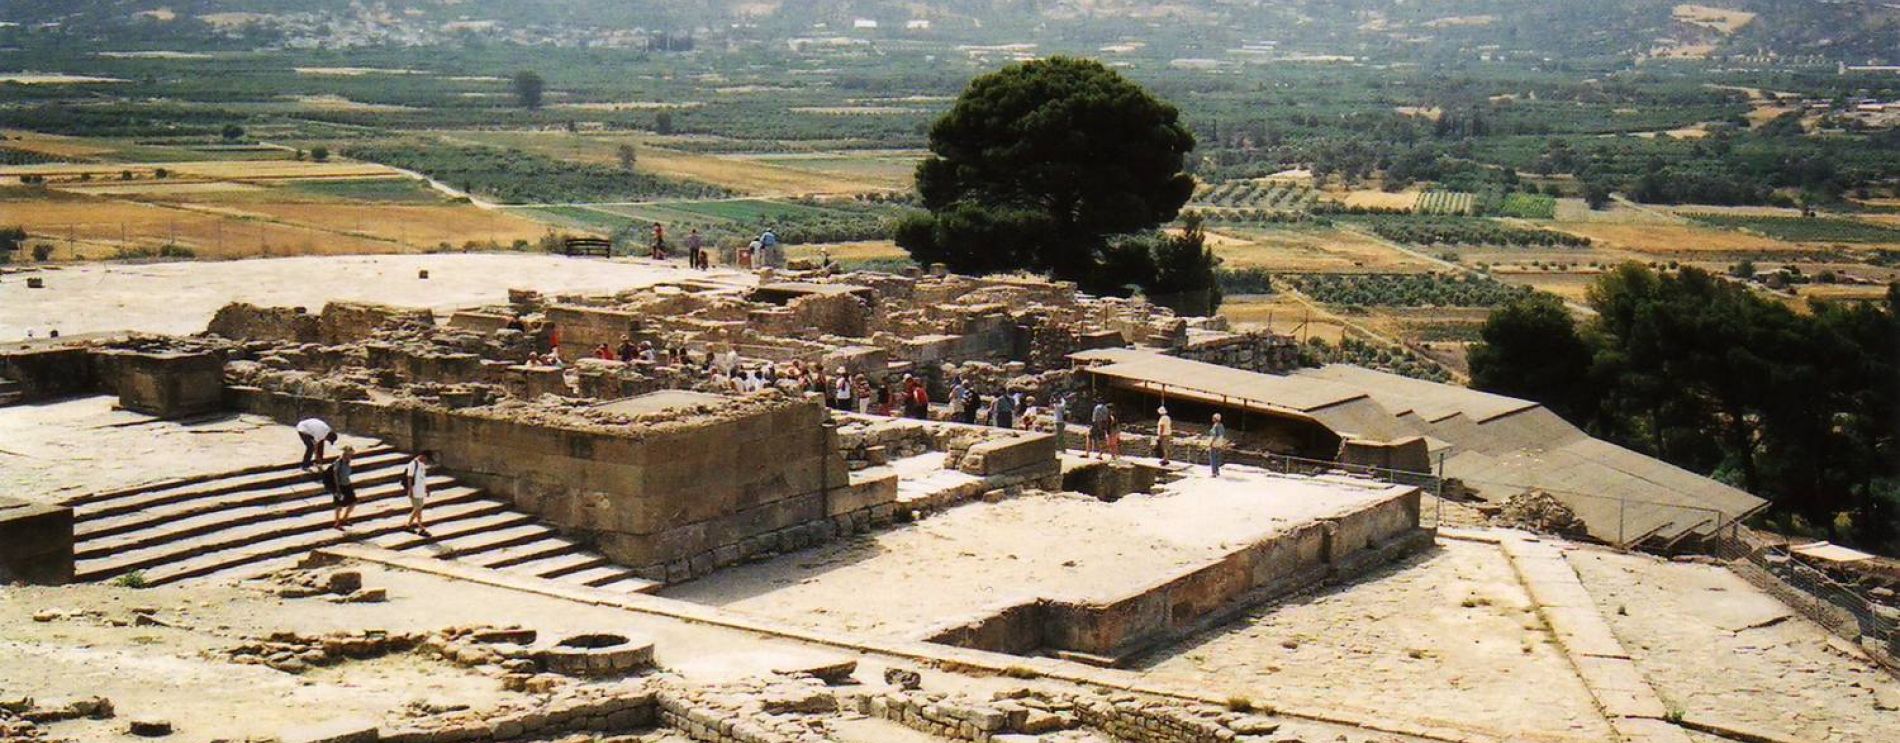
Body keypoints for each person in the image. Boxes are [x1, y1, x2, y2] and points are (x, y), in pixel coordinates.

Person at [402, 450, 436, 537]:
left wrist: (426, 489)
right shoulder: (413, 464)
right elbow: (409, 478)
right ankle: (421, 528)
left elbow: (422, 478)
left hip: (420, 491)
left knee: (418, 508)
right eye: (426, 458)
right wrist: (410, 490)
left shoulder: (422, 465)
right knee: (418, 508)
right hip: (414, 490)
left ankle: (408, 525)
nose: (426, 461)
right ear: (422, 456)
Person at [327, 446, 357, 531]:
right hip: (340, 486)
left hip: (347, 484)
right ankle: (337, 523)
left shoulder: (348, 461)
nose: (351, 455)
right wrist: (337, 488)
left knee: (353, 502)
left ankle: (344, 519)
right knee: (338, 506)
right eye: (349, 453)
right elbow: (335, 475)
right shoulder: (338, 462)